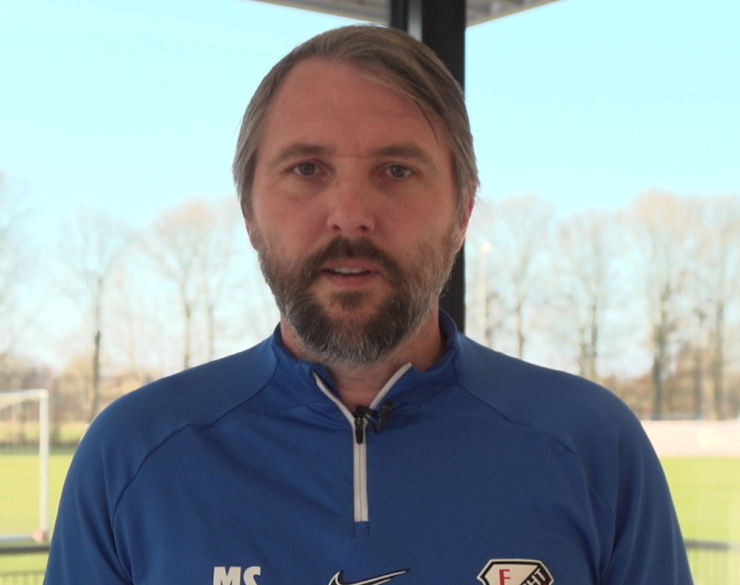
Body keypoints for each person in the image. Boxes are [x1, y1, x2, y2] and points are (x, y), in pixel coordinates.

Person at [45, 24, 693, 585]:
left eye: (396, 171)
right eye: (307, 169)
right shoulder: (132, 458)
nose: (350, 215)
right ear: (249, 212)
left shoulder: (592, 448)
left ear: (462, 211)